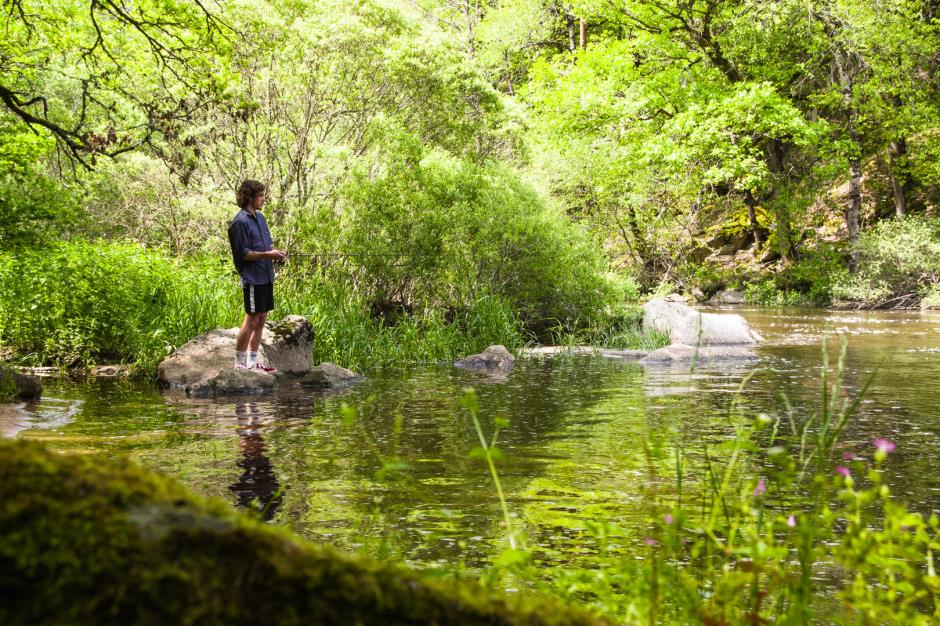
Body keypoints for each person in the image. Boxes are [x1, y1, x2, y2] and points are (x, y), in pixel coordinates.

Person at [227, 180, 286, 371]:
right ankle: (239, 364)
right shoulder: (239, 222)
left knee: (261, 319)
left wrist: (276, 254)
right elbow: (244, 253)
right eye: (260, 195)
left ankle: (252, 363)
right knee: (251, 319)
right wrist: (268, 255)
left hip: (266, 275)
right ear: (250, 197)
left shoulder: (260, 218)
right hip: (253, 278)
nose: (263, 199)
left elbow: (266, 246)